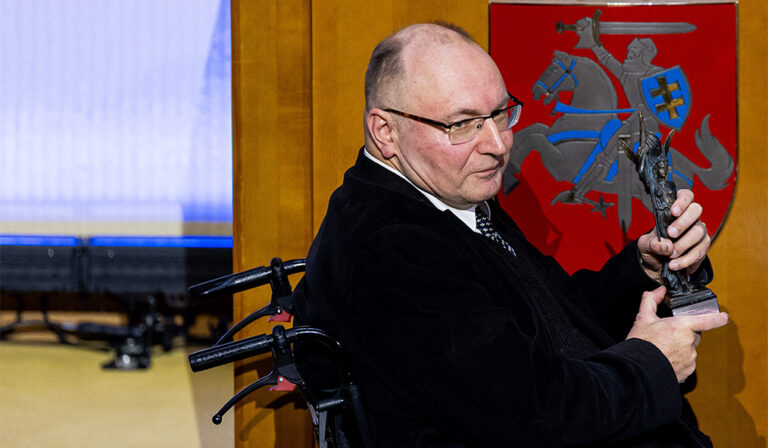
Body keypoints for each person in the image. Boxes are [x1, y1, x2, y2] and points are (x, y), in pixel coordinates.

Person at [295, 22, 728, 447]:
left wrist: (643, 270)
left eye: (500, 114)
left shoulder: (446, 193)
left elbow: (549, 319)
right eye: (462, 124)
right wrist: (651, 365)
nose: (498, 144)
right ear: (385, 132)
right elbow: (531, 412)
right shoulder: (391, 246)